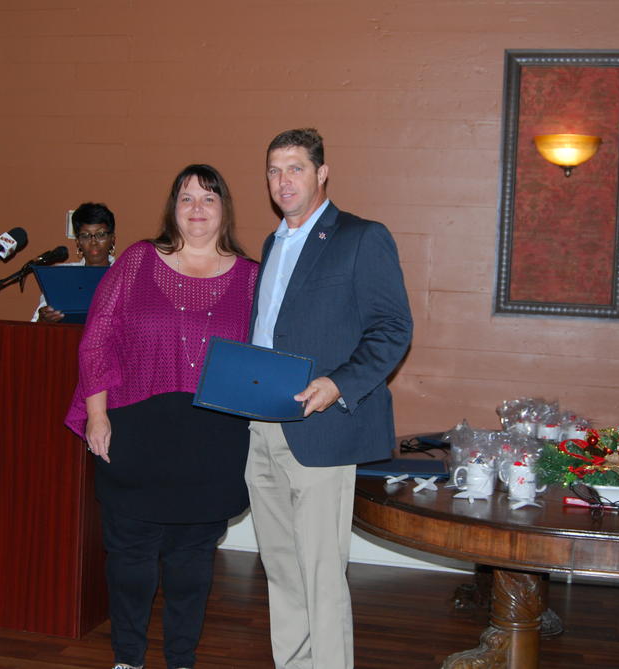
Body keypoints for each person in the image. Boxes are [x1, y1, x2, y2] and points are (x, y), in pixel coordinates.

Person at [64, 165, 258, 669]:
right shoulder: (137, 260)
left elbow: (266, 357)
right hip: (135, 432)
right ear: (173, 208)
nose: (196, 208)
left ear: (224, 209)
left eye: (208, 198)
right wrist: (96, 415)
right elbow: (97, 339)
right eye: (186, 198)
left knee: (192, 564)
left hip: (213, 440)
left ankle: (181, 660)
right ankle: (127, 658)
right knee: (130, 561)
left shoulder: (253, 276)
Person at [246, 128, 413, 669]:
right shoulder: (272, 244)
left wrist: (340, 383)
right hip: (261, 425)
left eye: (294, 168)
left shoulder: (362, 237)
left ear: (322, 173)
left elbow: (393, 329)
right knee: (280, 567)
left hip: (322, 428)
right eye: (273, 170)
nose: (282, 180)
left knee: (321, 573)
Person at [33, 201, 117, 322]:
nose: (93, 242)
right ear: (78, 242)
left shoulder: (126, 276)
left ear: (112, 239)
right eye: (85, 236)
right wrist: (43, 319)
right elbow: (36, 321)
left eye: (100, 234)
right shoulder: (62, 276)